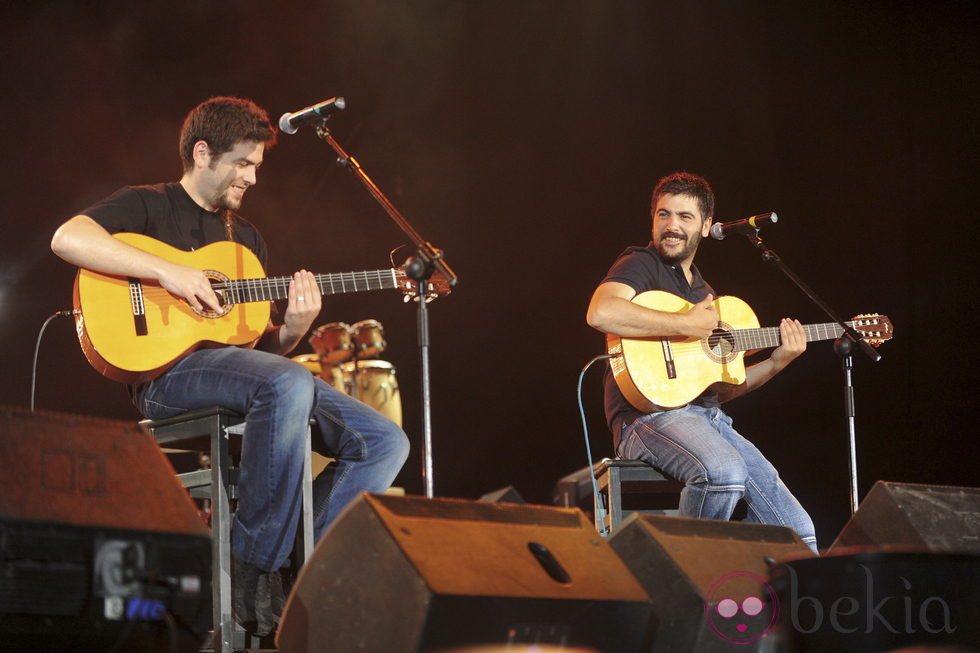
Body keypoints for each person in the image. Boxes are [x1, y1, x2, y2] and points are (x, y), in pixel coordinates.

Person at [51, 96, 410, 633]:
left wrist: (292, 331)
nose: (252, 178)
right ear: (203, 153)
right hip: (163, 376)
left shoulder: (245, 242)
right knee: (290, 382)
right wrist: (168, 272)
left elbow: (259, 359)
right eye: (243, 163)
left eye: (257, 166)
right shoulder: (149, 206)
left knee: (385, 442)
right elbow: (67, 238)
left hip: (237, 375)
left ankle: (298, 567)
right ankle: (253, 561)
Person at [586, 171, 817, 552]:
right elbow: (601, 312)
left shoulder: (703, 293)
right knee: (723, 472)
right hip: (645, 418)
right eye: (664, 214)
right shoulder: (641, 263)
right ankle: (684, 583)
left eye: (685, 217)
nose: (671, 226)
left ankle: (792, 609)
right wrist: (686, 324)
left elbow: (721, 392)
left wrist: (778, 362)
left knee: (798, 532)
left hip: (709, 421)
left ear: (707, 226)